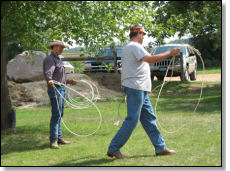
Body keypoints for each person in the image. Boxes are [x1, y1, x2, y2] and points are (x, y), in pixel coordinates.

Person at [107, 25, 181, 158]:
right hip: (136, 88)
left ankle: (160, 148)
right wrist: (170, 53)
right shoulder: (134, 47)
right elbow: (151, 59)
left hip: (140, 88)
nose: (144, 37)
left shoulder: (131, 47)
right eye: (143, 34)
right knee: (132, 120)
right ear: (138, 34)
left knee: (149, 119)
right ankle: (114, 148)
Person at [43, 39, 77, 149]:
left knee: (60, 114)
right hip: (55, 89)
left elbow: (59, 76)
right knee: (56, 114)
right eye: (60, 47)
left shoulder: (58, 59)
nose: (62, 49)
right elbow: (49, 72)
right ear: (54, 47)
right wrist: (49, 80)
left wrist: (68, 81)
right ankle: (53, 140)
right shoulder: (50, 59)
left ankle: (59, 138)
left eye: (62, 47)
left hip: (61, 87)